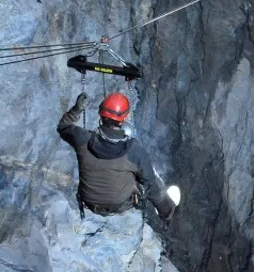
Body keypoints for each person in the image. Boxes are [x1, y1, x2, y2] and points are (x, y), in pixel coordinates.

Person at [58, 92, 180, 221]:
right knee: (148, 175)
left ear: (101, 114)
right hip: (120, 205)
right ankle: (166, 211)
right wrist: (163, 209)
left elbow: (63, 127)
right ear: (123, 119)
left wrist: (77, 109)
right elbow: (150, 183)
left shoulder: (82, 139)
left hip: (89, 202)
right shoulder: (134, 150)